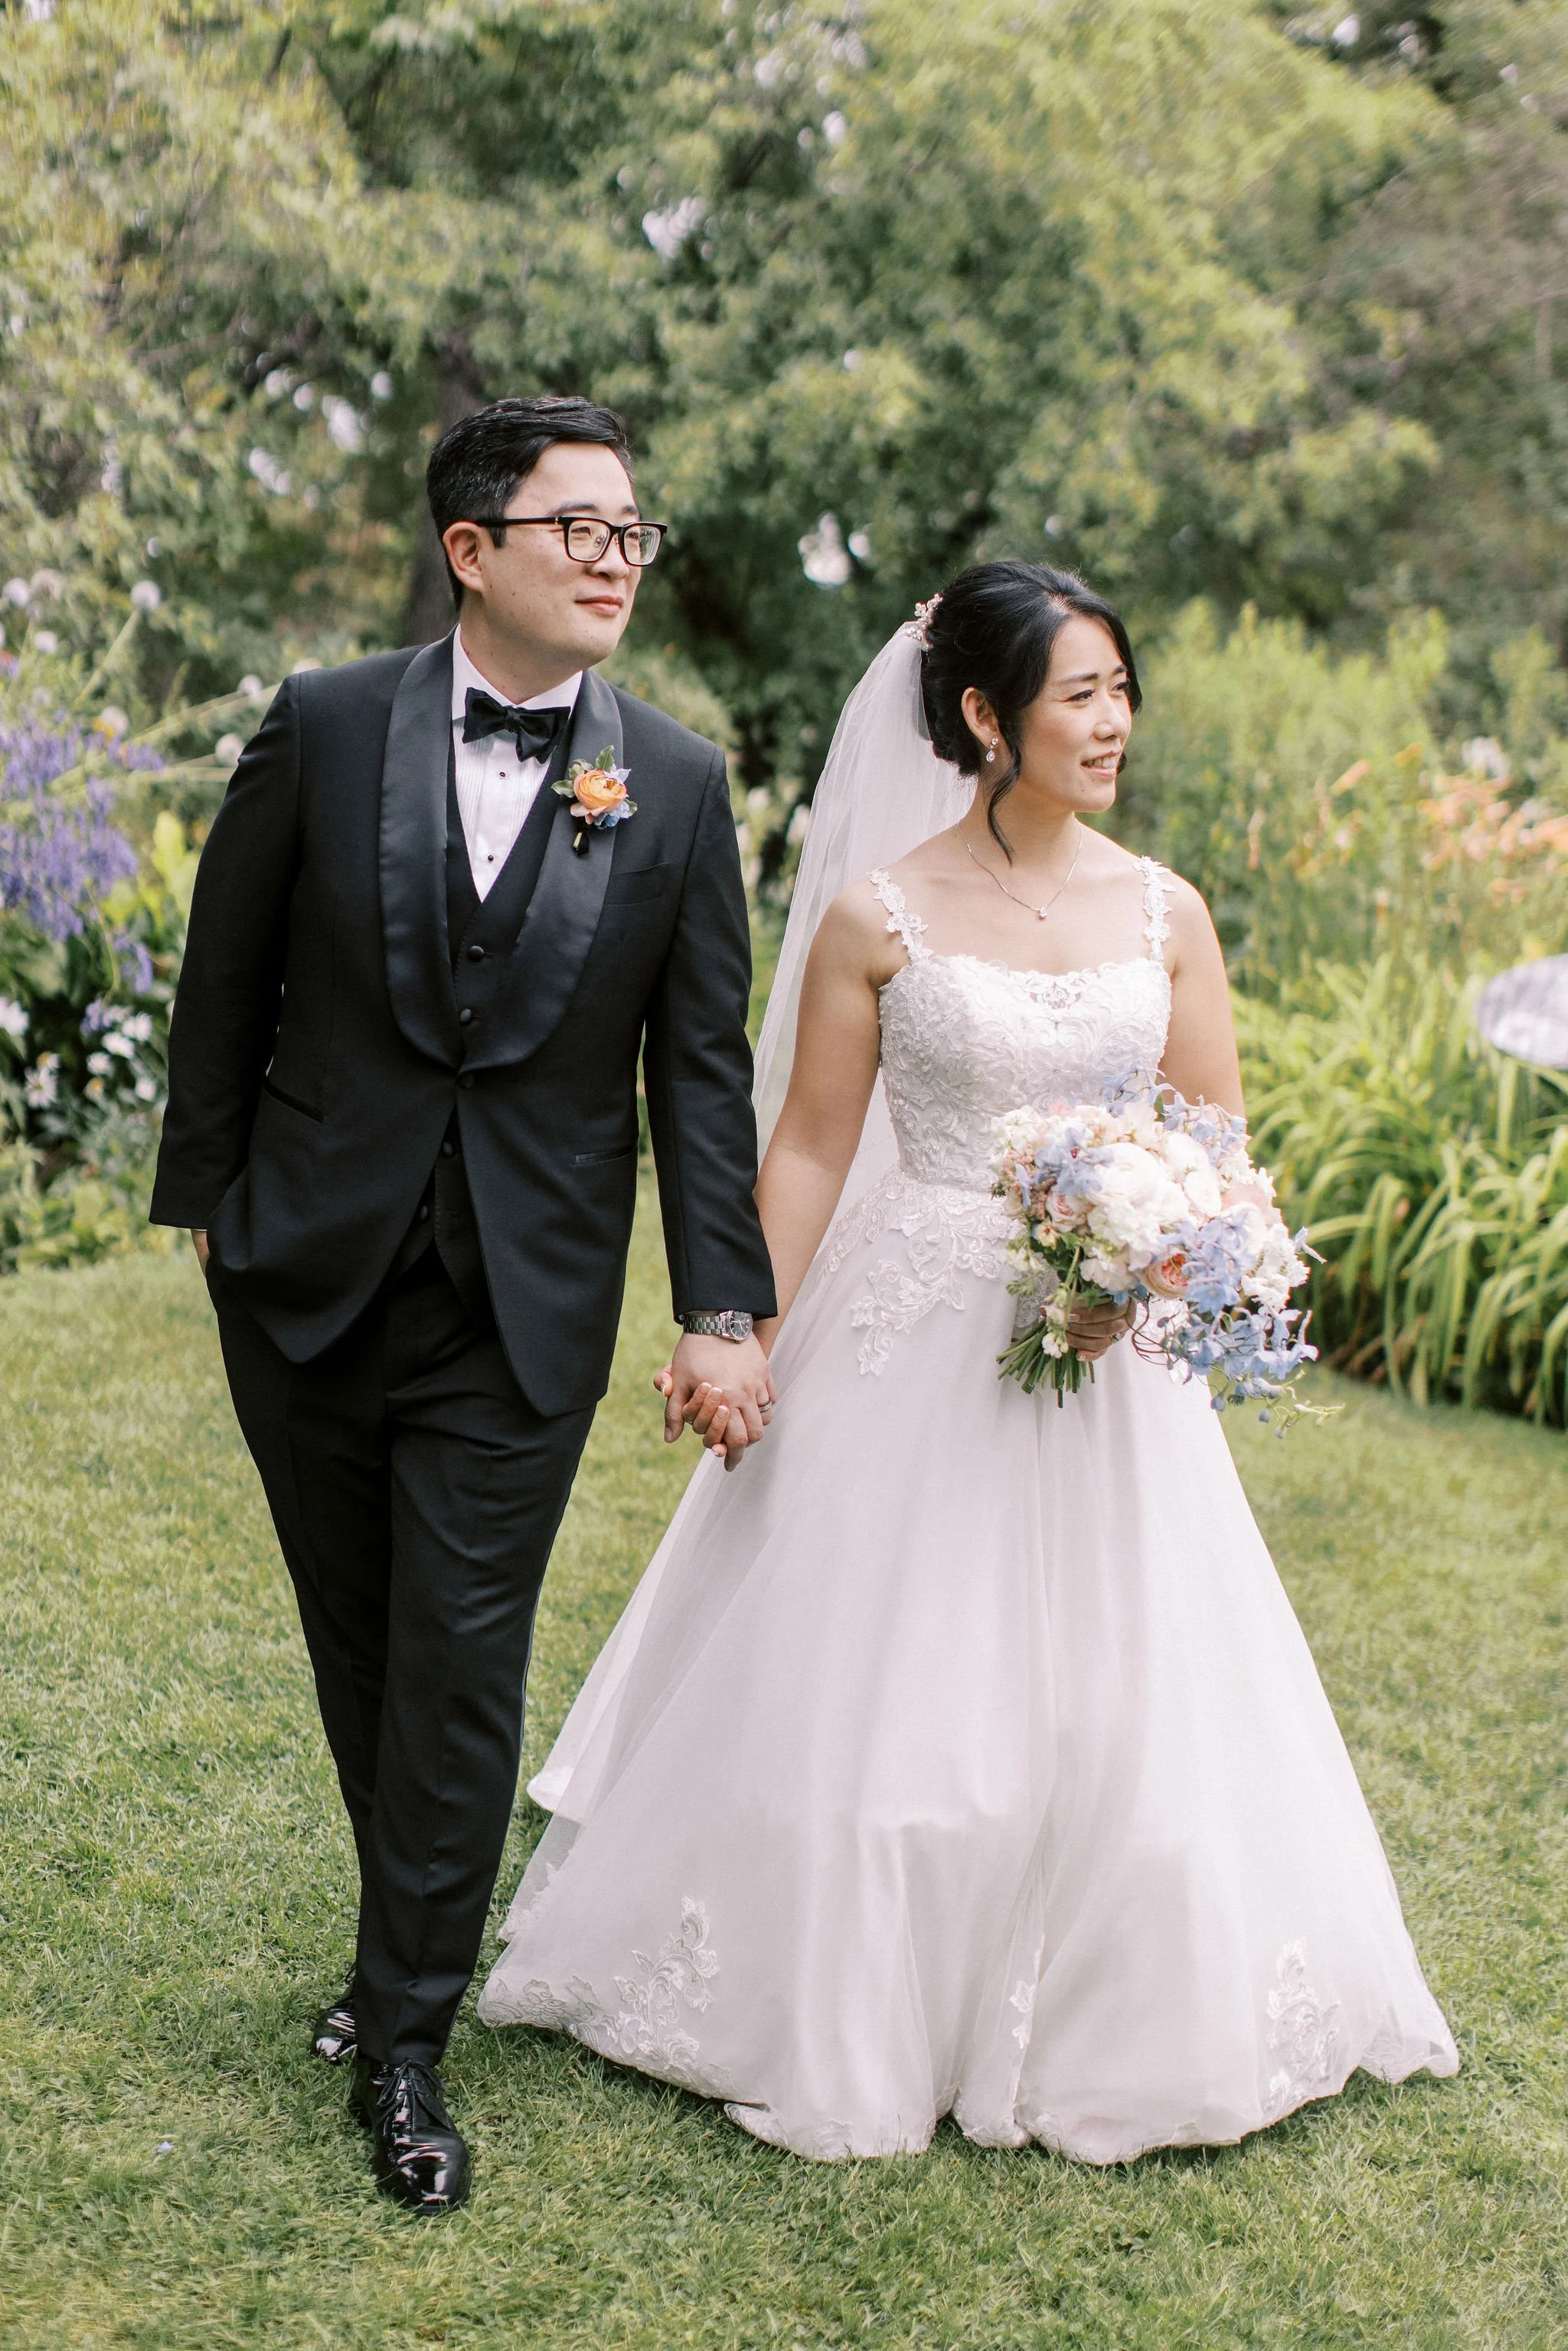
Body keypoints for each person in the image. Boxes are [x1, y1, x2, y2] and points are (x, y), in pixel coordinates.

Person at [478, 561, 1459, 2163]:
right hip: (907, 1330)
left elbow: (1216, 1151)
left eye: (1123, 690)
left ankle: (1121, 1993)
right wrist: (734, 1319)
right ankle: (846, 1985)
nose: (1114, 721)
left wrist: (1137, 1275)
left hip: (1103, 1359)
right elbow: (803, 1151)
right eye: (1081, 694)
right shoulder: (881, 916)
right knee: (888, 1700)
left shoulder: (1164, 911)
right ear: (987, 716)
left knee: (1136, 1710)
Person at [150, 395, 777, 2210]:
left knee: (462, 1653)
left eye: (629, 531)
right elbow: (227, 971)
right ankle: (403, 1930)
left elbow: (702, 1069)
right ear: (470, 549)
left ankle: (407, 2031)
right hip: (307, 1266)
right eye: (575, 524)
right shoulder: (328, 723)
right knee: (364, 1634)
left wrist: (719, 1299)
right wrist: (210, 1206)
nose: (610, 557)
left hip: (530, 1290)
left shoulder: (673, 779)